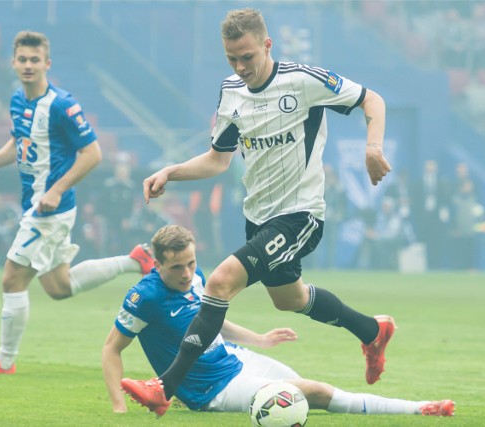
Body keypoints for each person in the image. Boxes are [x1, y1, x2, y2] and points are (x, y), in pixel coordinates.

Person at [122, 8, 395, 415]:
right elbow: (218, 160)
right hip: (259, 218)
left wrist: (373, 147)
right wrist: (170, 171)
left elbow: (372, 99)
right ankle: (373, 330)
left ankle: (165, 387)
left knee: (218, 282)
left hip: (301, 214)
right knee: (290, 299)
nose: (240, 66)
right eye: (232, 58)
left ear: (267, 45)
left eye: (247, 56)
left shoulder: (303, 80)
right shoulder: (231, 91)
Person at [104, 225, 454, 418]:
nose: (187, 274)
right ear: (157, 264)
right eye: (177, 267)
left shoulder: (198, 280)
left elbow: (209, 324)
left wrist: (259, 338)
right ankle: (419, 409)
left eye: (191, 263)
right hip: (213, 389)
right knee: (314, 393)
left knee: (309, 393)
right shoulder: (144, 297)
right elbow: (111, 349)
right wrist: (119, 410)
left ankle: (418, 406)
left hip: (236, 359)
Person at [0, 31, 154, 375]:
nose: (28, 65)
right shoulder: (17, 100)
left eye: (35, 60)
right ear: (13, 62)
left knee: (11, 279)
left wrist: (56, 189)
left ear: (47, 64)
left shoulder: (63, 105)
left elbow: (93, 153)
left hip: (49, 211)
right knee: (58, 287)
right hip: (35, 205)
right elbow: (17, 141)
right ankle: (134, 260)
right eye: (22, 59)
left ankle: (4, 361)